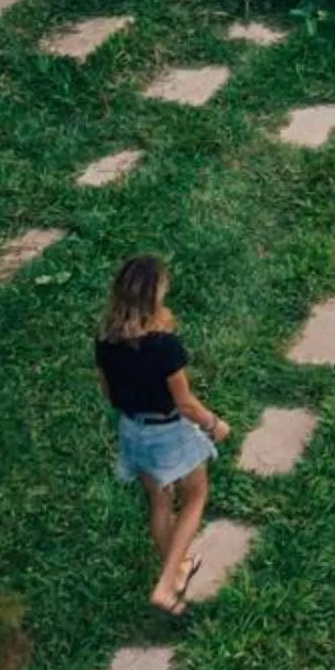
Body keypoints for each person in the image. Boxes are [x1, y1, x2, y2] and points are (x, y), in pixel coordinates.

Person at [94, 256, 230, 616]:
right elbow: (185, 404)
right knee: (196, 496)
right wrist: (214, 424)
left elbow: (108, 393)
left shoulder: (105, 341)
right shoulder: (164, 346)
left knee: (160, 502)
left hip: (132, 430)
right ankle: (167, 584)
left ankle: (179, 566)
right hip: (168, 431)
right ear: (153, 295)